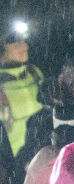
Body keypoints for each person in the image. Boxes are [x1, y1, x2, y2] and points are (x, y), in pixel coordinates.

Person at [0, 27, 44, 158]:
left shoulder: (34, 71)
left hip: (43, 150)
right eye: (17, 43)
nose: (25, 46)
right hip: (15, 159)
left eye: (25, 41)